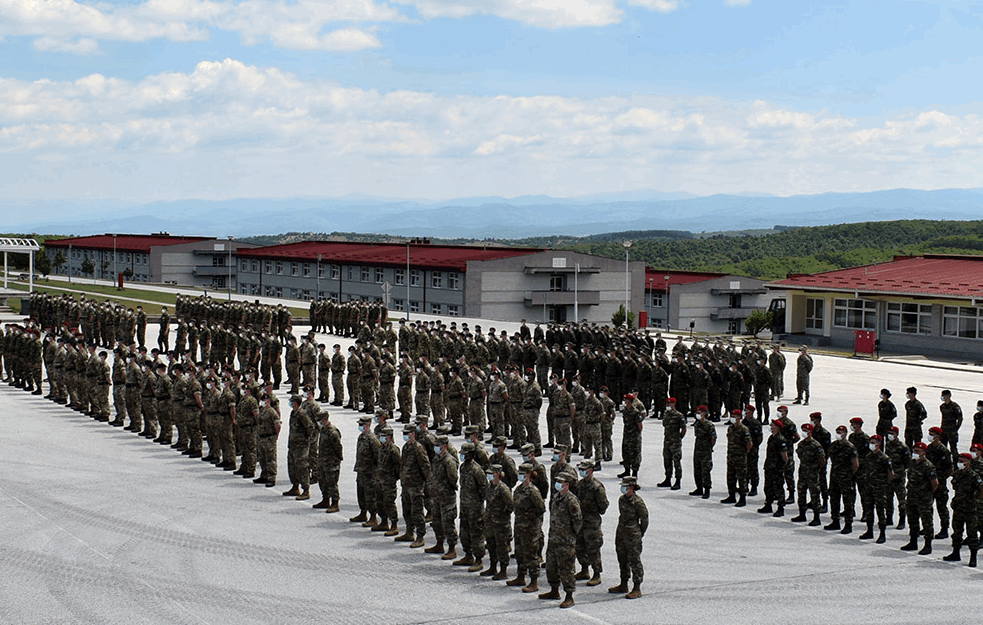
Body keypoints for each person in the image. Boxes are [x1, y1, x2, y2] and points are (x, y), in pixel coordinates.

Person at [540, 474, 582, 609]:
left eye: (560, 482)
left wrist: (570, 536)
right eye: (556, 481)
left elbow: (578, 521)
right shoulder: (556, 498)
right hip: (554, 538)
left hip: (566, 541)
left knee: (566, 569)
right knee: (551, 566)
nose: (557, 484)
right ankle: (554, 590)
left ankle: (569, 596)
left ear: (567, 484)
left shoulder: (571, 500)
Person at [508, 462, 546, 592]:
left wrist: (530, 518)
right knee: (519, 552)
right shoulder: (519, 489)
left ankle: (534, 581)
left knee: (531, 554)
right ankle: (520, 576)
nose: (520, 475)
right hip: (519, 526)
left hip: (530, 528)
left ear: (529, 475)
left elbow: (541, 508)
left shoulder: (533, 491)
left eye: (523, 473)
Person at [609, 476, 647, 600]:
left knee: (634, 560)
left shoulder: (638, 502)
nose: (623, 488)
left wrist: (639, 533)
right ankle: (623, 584)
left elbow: (644, 519)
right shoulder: (622, 499)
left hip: (632, 535)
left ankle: (637, 587)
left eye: (625, 486)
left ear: (631, 487)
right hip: (621, 533)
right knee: (622, 559)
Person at [943, 452, 981, 567]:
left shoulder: (974, 476)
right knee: (957, 532)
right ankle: (955, 553)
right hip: (958, 507)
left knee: (972, 534)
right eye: (959, 460)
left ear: (969, 462)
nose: (960, 463)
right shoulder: (957, 474)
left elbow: (981, 490)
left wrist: (974, 500)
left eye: (963, 461)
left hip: (970, 509)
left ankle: (973, 558)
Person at [574, 460, 608, 586]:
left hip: (592, 522)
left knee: (593, 548)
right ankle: (584, 570)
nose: (582, 472)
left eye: (584, 469)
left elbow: (603, 506)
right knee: (580, 546)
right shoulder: (579, 485)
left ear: (591, 470)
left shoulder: (597, 487)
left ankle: (596, 574)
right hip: (580, 521)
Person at [901, 442, 939, 555]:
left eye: (918, 451)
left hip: (924, 499)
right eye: (914, 451)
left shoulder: (928, 466)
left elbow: (935, 483)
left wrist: (927, 494)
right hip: (912, 496)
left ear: (924, 453)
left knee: (927, 522)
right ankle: (913, 542)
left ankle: (928, 545)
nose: (915, 453)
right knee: (912, 520)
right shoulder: (912, 463)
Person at [455, 441, 487, 572]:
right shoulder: (463, 467)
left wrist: (478, 503)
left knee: (476, 534)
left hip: (475, 507)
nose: (462, 456)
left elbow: (483, 488)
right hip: (464, 505)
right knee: (464, 532)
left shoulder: (477, 470)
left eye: (464, 454)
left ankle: (478, 559)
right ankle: (468, 556)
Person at [397, 423, 431, 548]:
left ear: (412, 434)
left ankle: (420, 536)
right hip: (406, 484)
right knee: (407, 510)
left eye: (406, 433)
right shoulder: (406, 447)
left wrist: (428, 483)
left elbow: (425, 466)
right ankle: (409, 532)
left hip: (416, 485)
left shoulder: (418, 448)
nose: (404, 435)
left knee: (417, 511)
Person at [426, 434, 459, 560]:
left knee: (448, 523)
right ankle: (439, 544)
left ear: (444, 446)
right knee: (436, 521)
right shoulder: (436, 459)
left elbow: (453, 478)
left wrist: (445, 487)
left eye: (438, 445)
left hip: (446, 496)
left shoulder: (449, 461)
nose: (436, 448)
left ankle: (452, 549)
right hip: (436, 495)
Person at [824, 425, 859, 534]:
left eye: (841, 432)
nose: (839, 433)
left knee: (847, 501)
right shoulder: (833, 445)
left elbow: (855, 464)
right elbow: (828, 458)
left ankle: (848, 524)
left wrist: (849, 475)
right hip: (834, 476)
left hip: (846, 478)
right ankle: (835, 521)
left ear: (846, 433)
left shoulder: (850, 447)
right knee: (834, 499)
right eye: (838, 431)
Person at [481, 464, 514, 580]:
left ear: (498, 474)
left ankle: (503, 570)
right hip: (490, 522)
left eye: (492, 473)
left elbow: (510, 505)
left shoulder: (503, 488)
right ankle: (493, 567)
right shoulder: (490, 486)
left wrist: (502, 515)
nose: (489, 475)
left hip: (501, 523)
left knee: (502, 547)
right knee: (491, 544)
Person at [858, 435, 892, 543]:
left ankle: (882, 533)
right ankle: (869, 531)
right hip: (868, 487)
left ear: (879, 444)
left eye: (874, 442)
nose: (871, 444)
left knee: (880, 511)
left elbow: (890, 474)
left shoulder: (884, 458)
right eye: (870, 442)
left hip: (879, 489)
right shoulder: (868, 456)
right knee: (869, 510)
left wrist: (883, 485)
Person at [792, 423, 825, 526]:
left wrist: (815, 469)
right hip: (803, 473)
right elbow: (800, 455)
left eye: (806, 431)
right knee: (801, 494)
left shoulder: (816, 445)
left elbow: (822, 460)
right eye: (803, 430)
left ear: (811, 432)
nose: (804, 433)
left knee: (814, 496)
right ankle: (802, 514)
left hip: (812, 474)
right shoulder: (801, 444)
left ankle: (816, 517)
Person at [283, 395, 315, 501]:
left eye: (291, 401)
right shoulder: (293, 413)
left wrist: (306, 441)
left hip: (301, 447)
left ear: (295, 402)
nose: (290, 403)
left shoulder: (302, 414)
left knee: (302, 468)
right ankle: (295, 487)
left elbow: (310, 428)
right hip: (292, 445)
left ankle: (306, 490)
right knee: (292, 467)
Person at [351, 416, 380, 526]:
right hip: (361, 470)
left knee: (370, 495)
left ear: (367, 425)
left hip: (370, 472)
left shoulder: (372, 439)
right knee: (361, 493)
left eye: (361, 425)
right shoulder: (361, 437)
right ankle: (363, 513)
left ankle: (373, 517)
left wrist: (375, 473)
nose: (360, 427)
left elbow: (378, 457)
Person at [757, 420, 790, 517]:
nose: (771, 427)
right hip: (769, 467)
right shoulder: (771, 438)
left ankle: (780, 508)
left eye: (773, 425)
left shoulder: (781, 439)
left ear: (778, 427)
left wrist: (783, 466)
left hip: (777, 468)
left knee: (778, 488)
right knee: (768, 487)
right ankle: (768, 505)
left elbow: (785, 456)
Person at [313, 410, 342, 513]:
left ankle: (335, 503)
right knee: (322, 481)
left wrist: (337, 460)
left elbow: (338, 448)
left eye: (319, 420)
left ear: (325, 419)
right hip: (322, 461)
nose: (318, 423)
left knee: (332, 483)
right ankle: (325, 500)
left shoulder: (333, 432)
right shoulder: (323, 430)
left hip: (331, 462)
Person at [926, 427, 952, 540]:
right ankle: (928, 527)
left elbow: (949, 469)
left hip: (940, 483)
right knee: (927, 506)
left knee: (941, 507)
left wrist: (940, 479)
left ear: (938, 436)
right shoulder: (929, 448)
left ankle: (944, 529)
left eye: (932, 434)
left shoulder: (944, 450)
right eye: (929, 433)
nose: (930, 436)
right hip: (929, 483)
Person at [722, 408, 751, 507]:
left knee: (741, 478)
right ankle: (731, 496)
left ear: (740, 418)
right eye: (732, 416)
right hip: (731, 456)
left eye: (735, 416)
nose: (733, 418)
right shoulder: (730, 428)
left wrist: (744, 453)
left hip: (740, 457)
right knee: (730, 477)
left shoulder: (744, 429)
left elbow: (749, 444)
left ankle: (742, 498)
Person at [657, 397, 686, 489]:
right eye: (667, 403)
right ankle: (667, 479)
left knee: (676, 461)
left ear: (674, 404)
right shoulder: (666, 414)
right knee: (667, 461)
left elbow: (684, 429)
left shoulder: (679, 415)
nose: (668, 405)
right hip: (667, 441)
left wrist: (679, 437)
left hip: (675, 442)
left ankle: (678, 481)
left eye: (670, 403)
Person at [690, 405, 716, 499]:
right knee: (697, 469)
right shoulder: (697, 424)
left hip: (705, 450)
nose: (698, 414)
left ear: (705, 413)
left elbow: (713, 438)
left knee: (705, 470)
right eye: (697, 412)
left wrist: (710, 447)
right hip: (697, 449)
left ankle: (707, 490)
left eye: (700, 412)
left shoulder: (709, 425)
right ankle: (699, 488)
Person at [619, 392, 645, 479]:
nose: (624, 401)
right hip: (626, 435)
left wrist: (636, 435)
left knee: (635, 455)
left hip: (634, 437)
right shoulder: (625, 411)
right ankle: (627, 471)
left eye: (626, 399)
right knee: (625, 453)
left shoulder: (636, 412)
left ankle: (634, 473)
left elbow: (640, 426)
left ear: (629, 401)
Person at [940, 390, 963, 461]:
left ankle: (956, 464)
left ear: (949, 396)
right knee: (943, 448)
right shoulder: (942, 406)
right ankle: (946, 462)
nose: (943, 397)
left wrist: (956, 429)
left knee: (953, 448)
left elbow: (960, 418)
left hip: (952, 431)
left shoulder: (955, 406)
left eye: (944, 395)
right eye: (942, 395)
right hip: (943, 430)